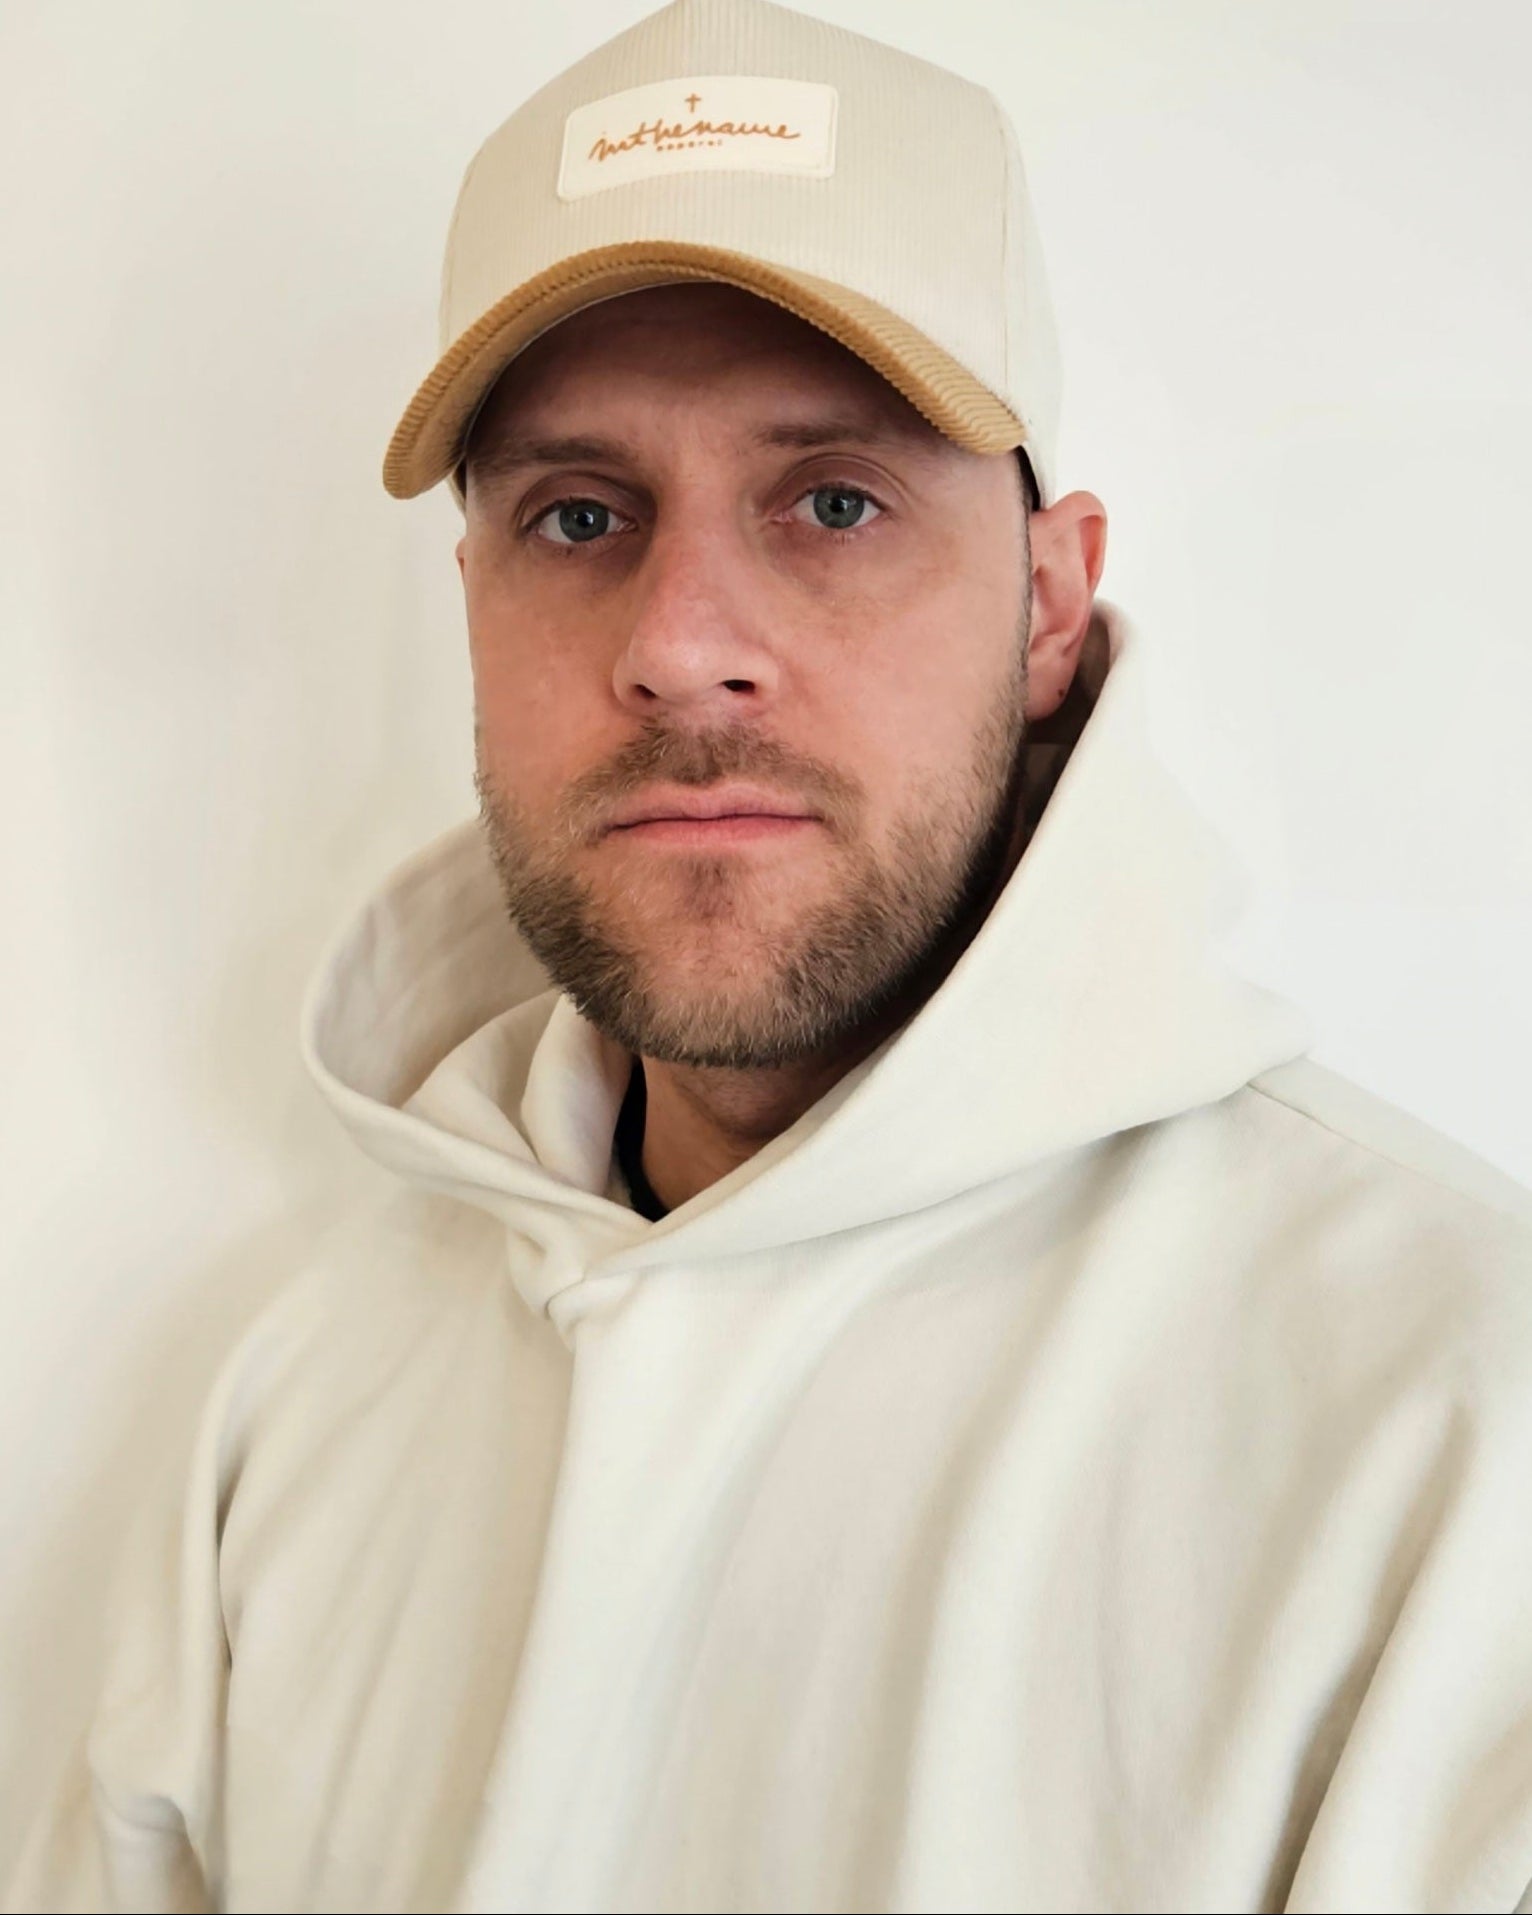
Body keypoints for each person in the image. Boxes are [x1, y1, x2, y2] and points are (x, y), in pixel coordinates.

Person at [11, 0, 1532, 1909]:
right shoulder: (307, 1391)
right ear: (469, 595)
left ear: (1050, 602)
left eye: (833, 500)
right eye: (579, 513)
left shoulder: (1452, 1418)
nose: (683, 640)